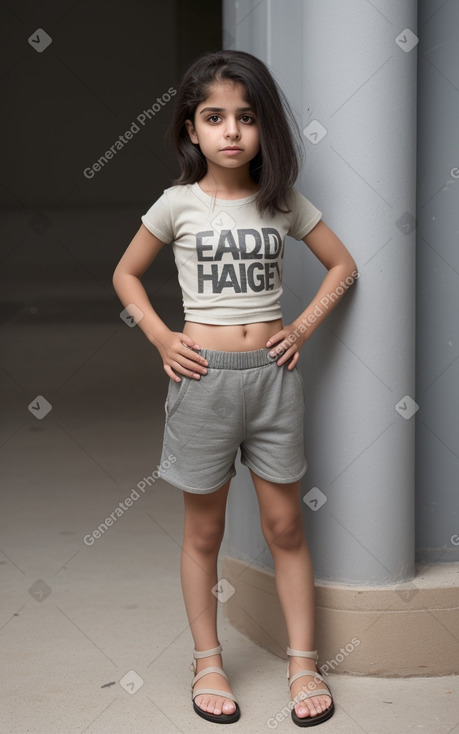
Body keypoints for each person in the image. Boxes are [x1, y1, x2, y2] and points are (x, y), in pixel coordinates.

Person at [112, 49, 357, 727]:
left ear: (262, 127)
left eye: (244, 118)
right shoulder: (177, 205)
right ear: (190, 128)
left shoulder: (281, 202)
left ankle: (303, 662)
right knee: (204, 531)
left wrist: (301, 328)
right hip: (203, 385)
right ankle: (208, 659)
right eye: (213, 117)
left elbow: (341, 265)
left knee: (284, 525)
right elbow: (125, 275)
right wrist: (164, 338)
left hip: (272, 385)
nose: (229, 131)